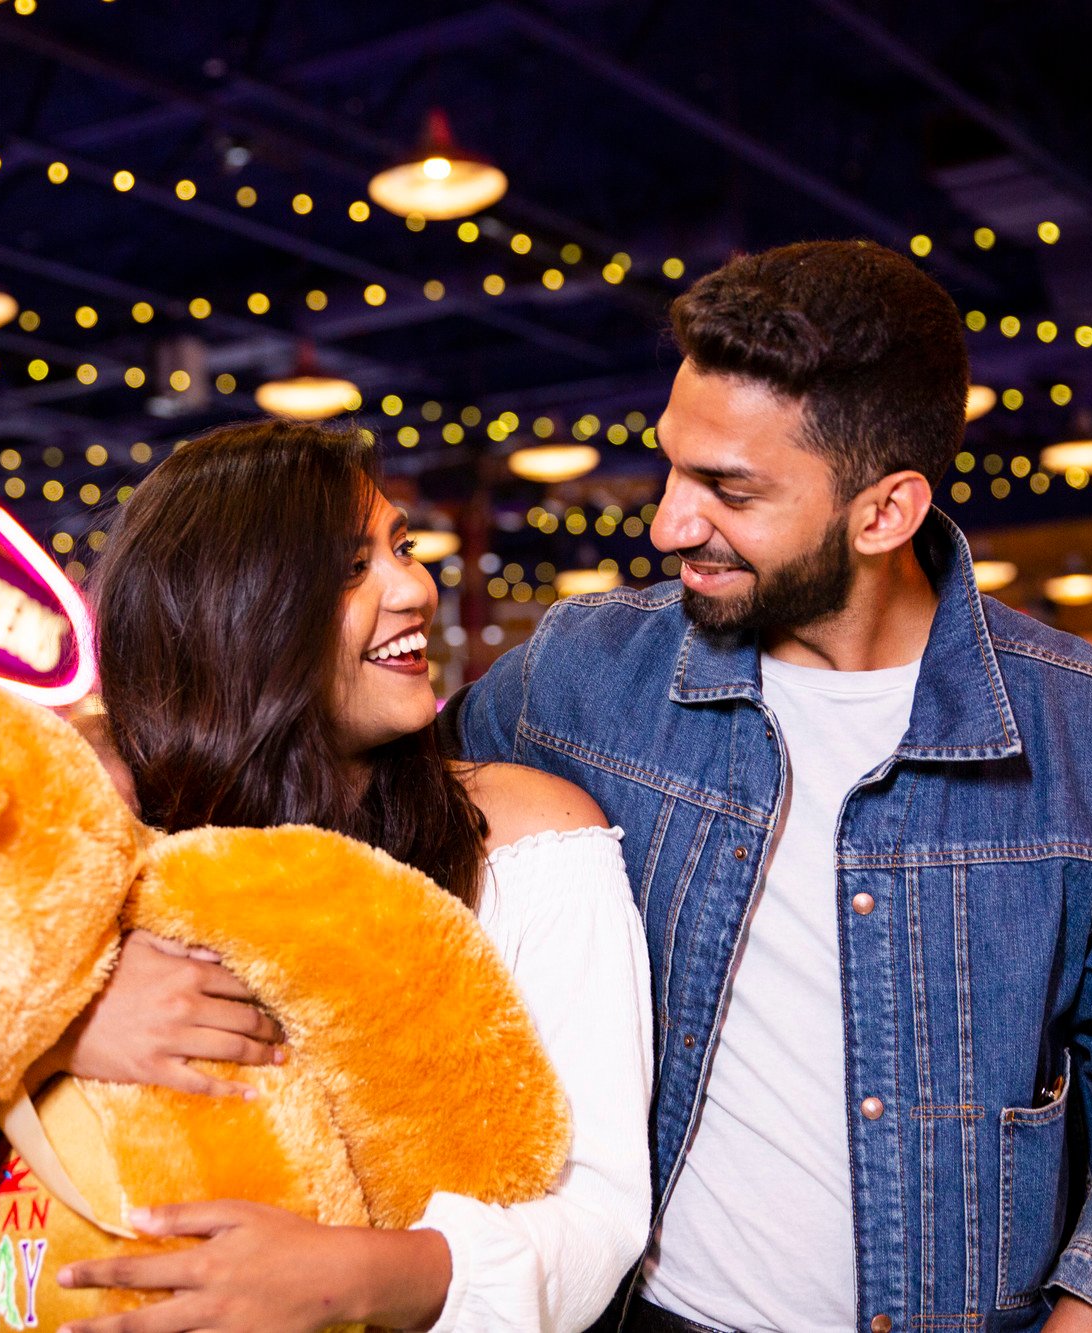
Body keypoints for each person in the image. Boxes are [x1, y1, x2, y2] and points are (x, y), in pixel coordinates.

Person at [440, 241, 1092, 1333]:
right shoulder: (580, 676)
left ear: (885, 512)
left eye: (728, 489)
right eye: (673, 468)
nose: (666, 523)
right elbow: (352, 824)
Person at [34, 420, 655, 1333]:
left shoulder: (526, 841)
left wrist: (353, 1277)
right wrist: (59, 1018)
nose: (412, 588)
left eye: (401, 547)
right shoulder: (103, 834)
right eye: (347, 570)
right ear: (231, 614)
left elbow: (596, 1219)